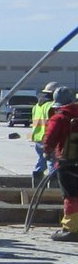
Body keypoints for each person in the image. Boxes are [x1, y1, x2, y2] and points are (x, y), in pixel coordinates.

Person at [42, 86, 78, 243]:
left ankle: (71, 229)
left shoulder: (60, 118)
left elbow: (50, 138)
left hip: (66, 162)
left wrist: (47, 151)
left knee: (70, 196)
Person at [31, 82, 59, 187]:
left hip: (37, 138)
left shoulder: (37, 106)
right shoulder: (51, 106)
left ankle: (36, 187)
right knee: (52, 163)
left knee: (41, 163)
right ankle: (53, 189)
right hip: (48, 139)